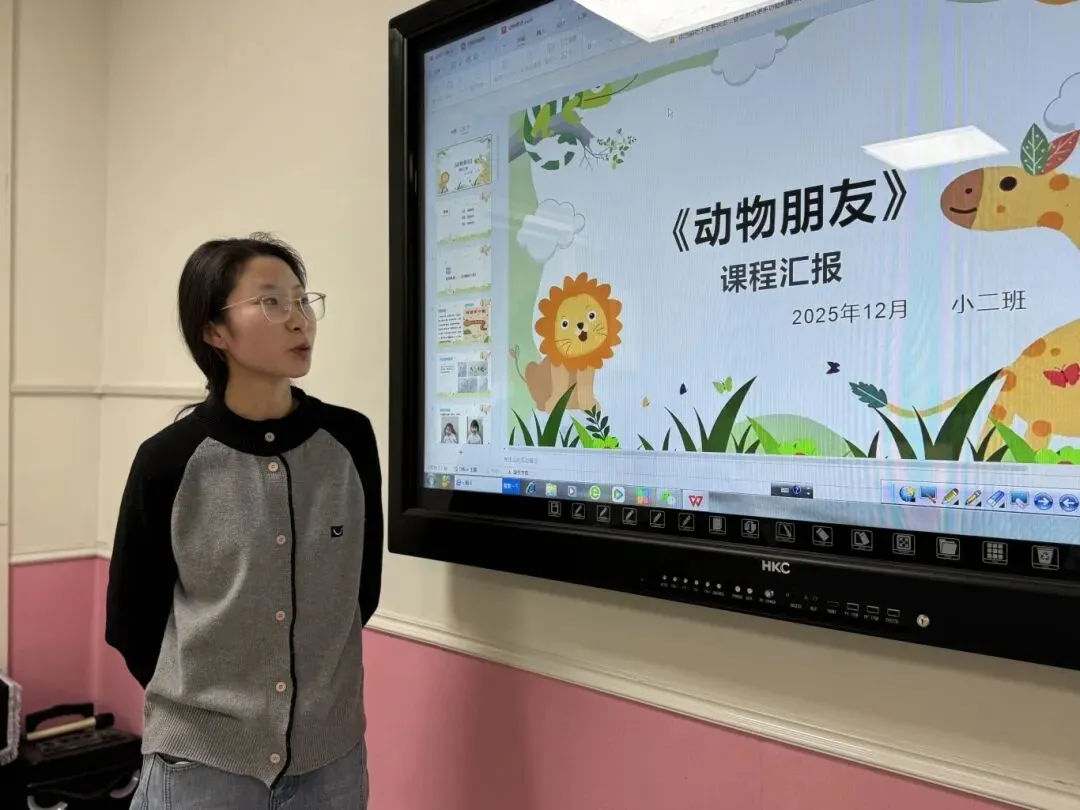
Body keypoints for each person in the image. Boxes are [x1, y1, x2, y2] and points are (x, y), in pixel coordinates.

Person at [105, 234, 383, 809]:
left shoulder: (349, 441)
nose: (299, 319)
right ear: (214, 331)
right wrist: (211, 714)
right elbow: (132, 621)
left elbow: (361, 592)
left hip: (330, 761)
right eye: (271, 302)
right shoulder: (168, 460)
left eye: (303, 300)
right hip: (201, 767)